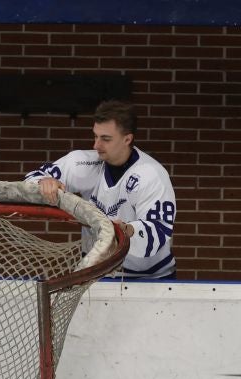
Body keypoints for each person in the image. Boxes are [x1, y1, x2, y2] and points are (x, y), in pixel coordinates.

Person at [25, 100, 177, 279]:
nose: (96, 145)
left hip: (149, 279)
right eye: (95, 136)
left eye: (105, 139)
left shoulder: (151, 174)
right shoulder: (83, 163)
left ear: (127, 139)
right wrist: (44, 181)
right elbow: (31, 179)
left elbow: (159, 230)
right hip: (96, 273)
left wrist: (127, 231)